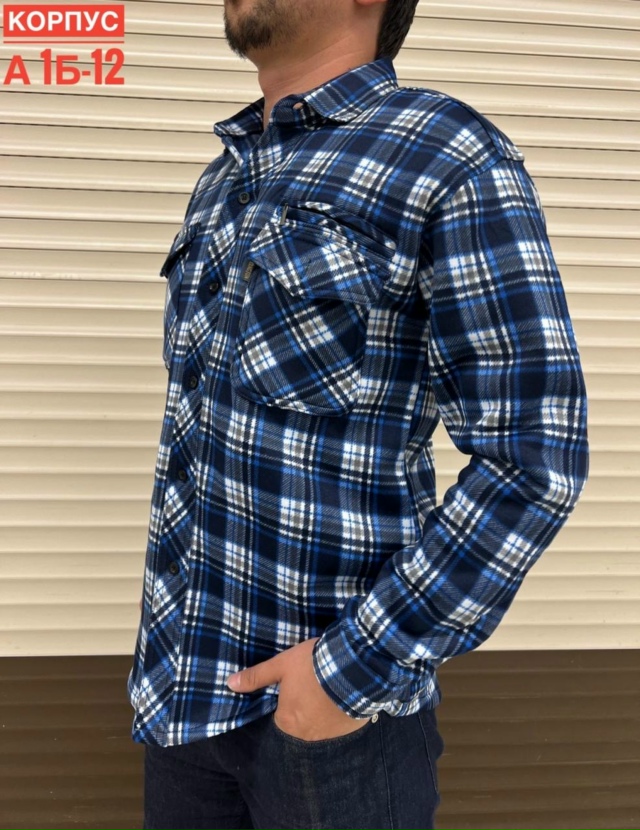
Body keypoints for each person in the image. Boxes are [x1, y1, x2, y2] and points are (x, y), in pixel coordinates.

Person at [128, 0, 589, 827]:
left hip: (333, 736)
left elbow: (535, 455)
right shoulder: (225, 178)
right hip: (181, 701)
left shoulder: (446, 154)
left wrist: (348, 673)